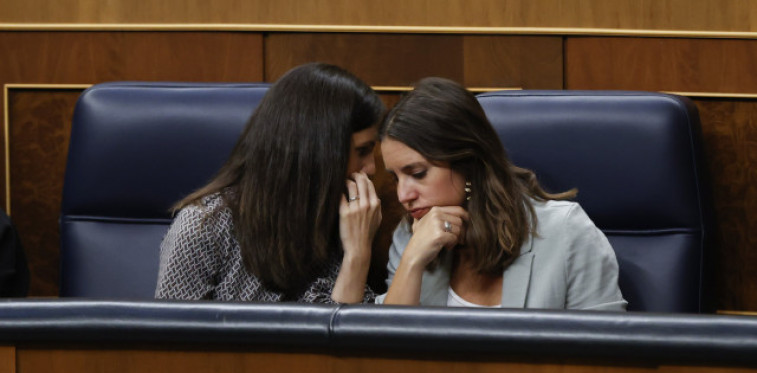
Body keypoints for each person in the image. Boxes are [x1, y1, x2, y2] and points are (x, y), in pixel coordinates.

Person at [377, 77, 626, 311]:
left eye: (418, 173)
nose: (402, 195)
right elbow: (384, 350)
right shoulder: (411, 236)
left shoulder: (567, 232)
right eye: (395, 178)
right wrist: (412, 261)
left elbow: (608, 350)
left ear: (469, 163)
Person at [156, 63, 384, 303]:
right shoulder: (203, 228)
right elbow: (170, 338)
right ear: (317, 152)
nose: (371, 168)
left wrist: (357, 255)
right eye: (362, 151)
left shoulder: (345, 219)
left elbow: (345, 336)